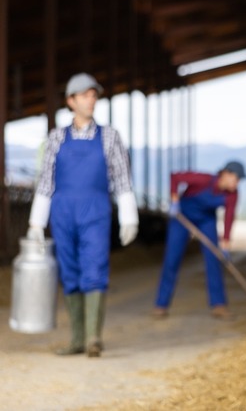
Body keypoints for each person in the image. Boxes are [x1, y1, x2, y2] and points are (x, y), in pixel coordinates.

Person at [27, 72, 139, 357]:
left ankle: (93, 338)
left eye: (93, 95)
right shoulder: (56, 138)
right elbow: (45, 182)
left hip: (95, 210)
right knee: (69, 270)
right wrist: (36, 223)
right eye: (85, 95)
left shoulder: (110, 137)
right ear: (71, 100)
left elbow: (122, 179)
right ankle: (76, 338)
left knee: (95, 266)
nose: (91, 100)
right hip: (62, 211)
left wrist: (129, 216)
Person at [153, 161, 246, 320]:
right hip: (182, 216)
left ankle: (218, 305)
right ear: (226, 174)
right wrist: (175, 201)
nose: (237, 183)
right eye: (236, 179)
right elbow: (175, 177)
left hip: (206, 220)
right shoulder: (204, 180)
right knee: (172, 259)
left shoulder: (233, 194)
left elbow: (229, 217)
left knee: (214, 259)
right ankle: (161, 305)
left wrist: (225, 244)